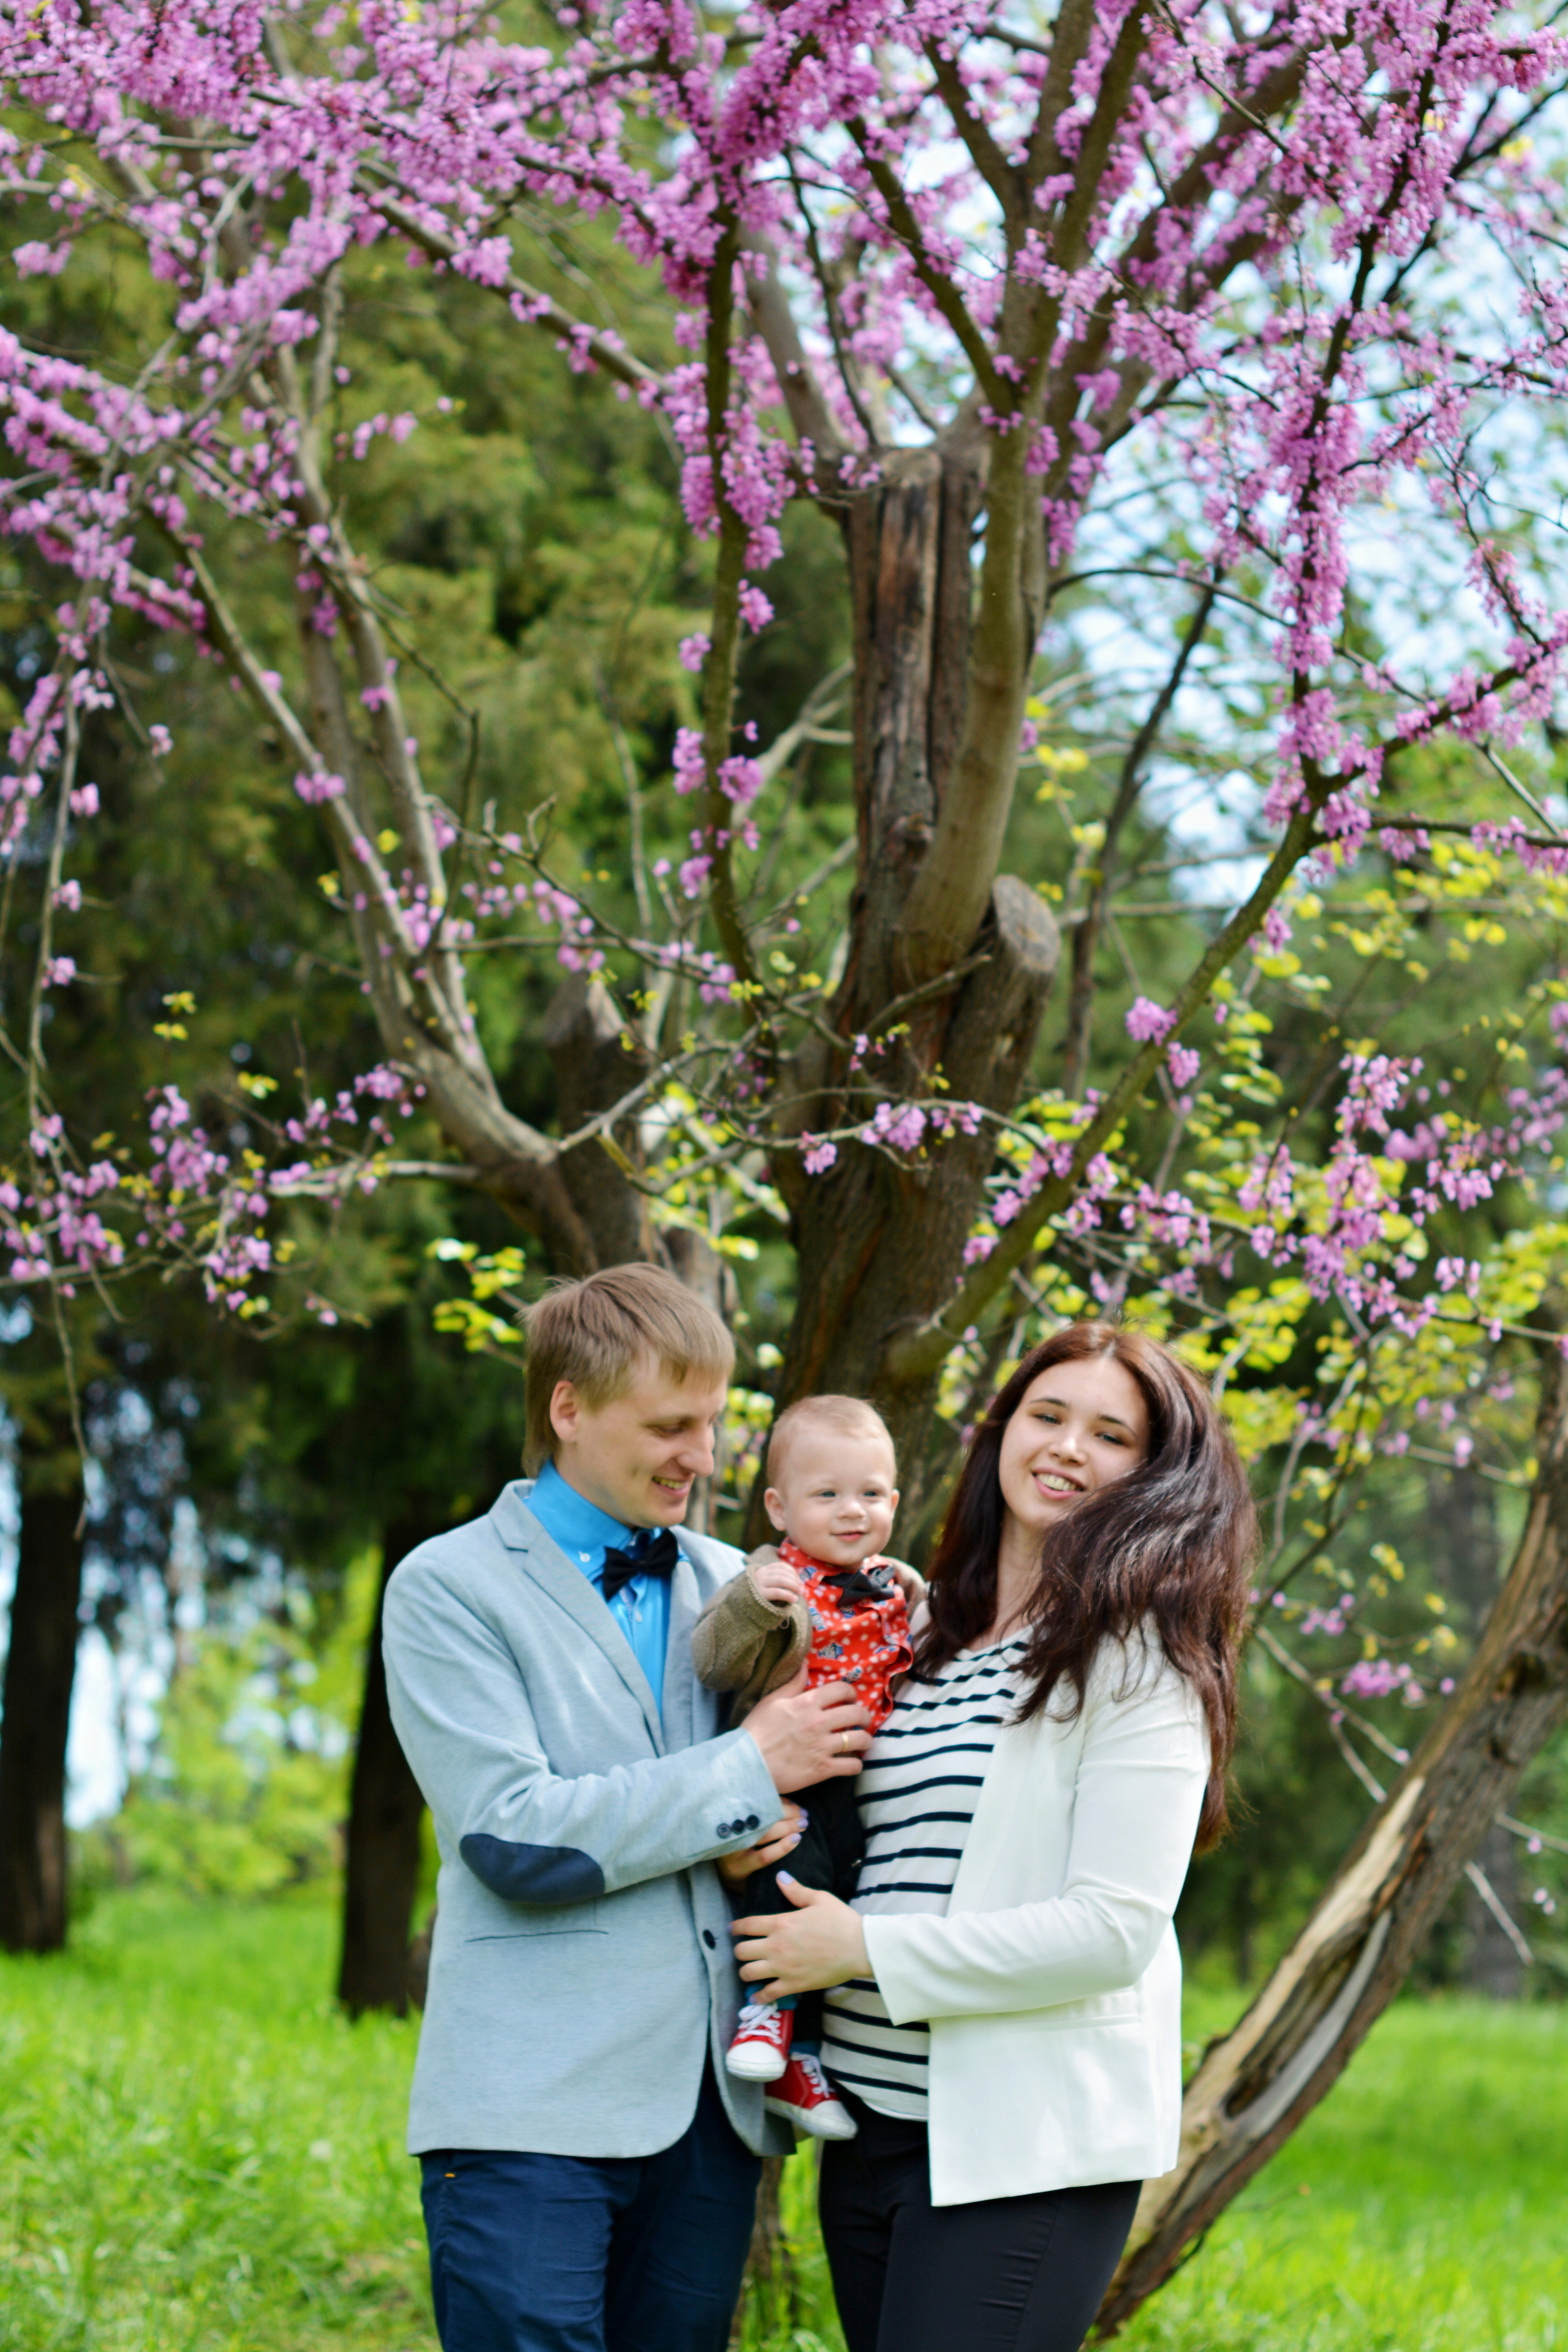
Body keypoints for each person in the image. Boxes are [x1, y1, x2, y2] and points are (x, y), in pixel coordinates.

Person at [730, 1321, 1256, 2352]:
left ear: (1155, 1474)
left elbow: (1114, 1929)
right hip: (872, 2120)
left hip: (1025, 2145)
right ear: (1002, 1430)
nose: (1066, 1447)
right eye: (1047, 1415)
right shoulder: (926, 1642)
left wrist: (863, 1949)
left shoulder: (1141, 1657)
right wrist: (756, 1830)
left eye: (1110, 1434)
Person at [381, 1264, 874, 2352]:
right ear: (568, 1408)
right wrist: (752, 1768)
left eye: (710, 1422)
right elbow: (514, 1833)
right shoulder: (447, 1586)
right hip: (528, 2117)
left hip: (709, 2121)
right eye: (669, 1425)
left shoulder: (742, 1582)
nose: (702, 1457)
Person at [692, 1395, 913, 2141]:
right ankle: (762, 2014)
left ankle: (803, 2054)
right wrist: (752, 1607)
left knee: (840, 1903)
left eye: (872, 1494)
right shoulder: (765, 1579)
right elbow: (714, 1664)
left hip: (860, 1777)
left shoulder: (893, 1582)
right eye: (828, 1495)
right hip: (790, 1771)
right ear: (780, 1509)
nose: (852, 1512)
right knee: (784, 1873)